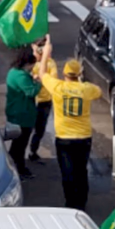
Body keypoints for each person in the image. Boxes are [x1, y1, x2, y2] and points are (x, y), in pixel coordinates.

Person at [37, 36, 101, 211]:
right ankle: (81, 203)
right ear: (78, 75)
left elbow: (42, 74)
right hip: (83, 137)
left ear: (64, 74)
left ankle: (70, 203)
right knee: (81, 171)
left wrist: (46, 54)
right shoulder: (86, 89)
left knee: (67, 172)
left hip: (64, 138)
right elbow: (99, 92)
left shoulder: (57, 87)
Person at [5, 47, 41, 179]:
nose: (32, 68)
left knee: (17, 144)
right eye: (32, 65)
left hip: (15, 113)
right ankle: (19, 169)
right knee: (20, 145)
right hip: (22, 115)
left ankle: (17, 166)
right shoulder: (21, 76)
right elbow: (31, 91)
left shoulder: (14, 72)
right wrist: (38, 83)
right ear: (27, 63)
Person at [28, 40, 58, 163]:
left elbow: (53, 80)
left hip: (44, 101)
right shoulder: (32, 62)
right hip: (32, 100)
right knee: (28, 129)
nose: (50, 53)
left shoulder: (51, 63)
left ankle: (32, 151)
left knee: (39, 129)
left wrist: (38, 78)